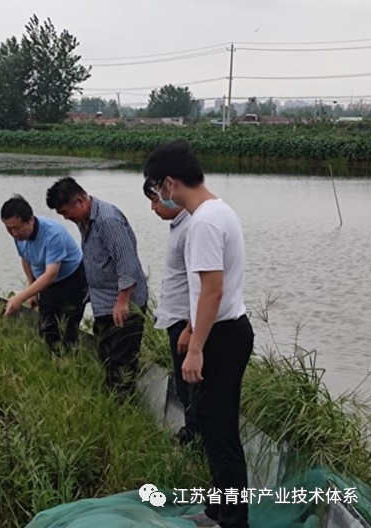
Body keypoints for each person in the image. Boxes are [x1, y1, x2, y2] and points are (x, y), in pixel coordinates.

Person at [144, 140, 254, 528]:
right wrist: (191, 328)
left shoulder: (204, 222)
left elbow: (212, 290)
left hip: (222, 337)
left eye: (156, 189)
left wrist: (197, 349)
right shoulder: (218, 211)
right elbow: (206, 292)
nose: (157, 196)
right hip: (222, 329)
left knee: (220, 432)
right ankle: (217, 511)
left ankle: (234, 520)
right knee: (211, 426)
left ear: (170, 183)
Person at [45, 177, 148, 399]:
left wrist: (122, 302)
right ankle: (113, 402)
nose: (65, 218)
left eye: (65, 212)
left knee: (121, 361)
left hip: (124, 305)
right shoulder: (85, 221)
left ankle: (121, 407)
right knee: (106, 355)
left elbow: (128, 264)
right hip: (103, 303)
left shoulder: (107, 220)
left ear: (80, 201)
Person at [142, 181, 199, 446]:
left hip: (185, 325)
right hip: (177, 321)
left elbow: (200, 285)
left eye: (156, 200)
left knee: (192, 388)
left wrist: (190, 328)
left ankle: (197, 440)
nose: (154, 208)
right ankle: (191, 435)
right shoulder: (179, 226)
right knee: (184, 385)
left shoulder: (191, 228)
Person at [1, 194, 88, 353]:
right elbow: (25, 257)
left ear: (31, 220)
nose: (14, 233)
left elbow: (51, 275)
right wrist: (32, 288)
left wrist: (21, 297)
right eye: (9, 228)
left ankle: (70, 364)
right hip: (45, 281)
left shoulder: (53, 234)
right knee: (48, 327)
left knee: (68, 327)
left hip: (72, 279)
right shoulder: (18, 234)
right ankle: (54, 363)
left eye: (17, 228)